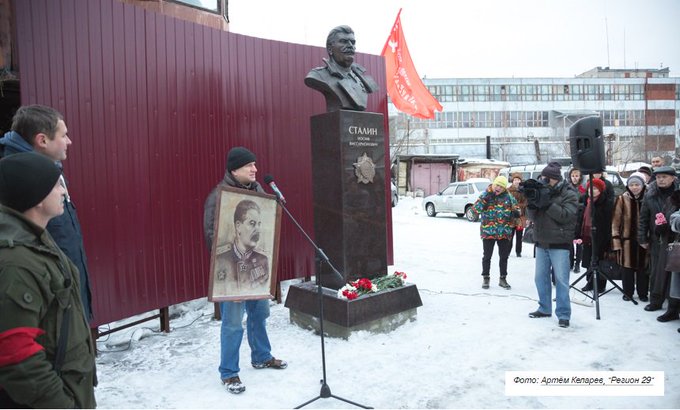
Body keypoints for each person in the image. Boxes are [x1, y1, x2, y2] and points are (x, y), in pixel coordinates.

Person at [0, 152, 96, 408]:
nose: (63, 192)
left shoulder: (37, 239)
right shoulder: (16, 262)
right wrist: (61, 403)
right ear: (37, 197)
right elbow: (15, 354)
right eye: (56, 185)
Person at [203, 146, 287, 394]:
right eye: (249, 165)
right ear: (234, 169)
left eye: (255, 164)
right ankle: (229, 373)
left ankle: (261, 356)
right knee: (232, 323)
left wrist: (276, 208)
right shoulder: (218, 196)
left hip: (258, 268)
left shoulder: (259, 191)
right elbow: (212, 236)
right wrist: (227, 269)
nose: (255, 169)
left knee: (260, 313)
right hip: (232, 273)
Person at [0, 105, 94, 322]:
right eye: (64, 135)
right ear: (42, 140)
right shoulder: (16, 180)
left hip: (65, 288)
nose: (69, 141)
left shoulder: (48, 168)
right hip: (49, 304)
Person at [527, 162, 579, 328]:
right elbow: (532, 217)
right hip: (542, 241)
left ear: (555, 179)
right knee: (540, 278)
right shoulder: (542, 191)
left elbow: (565, 215)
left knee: (561, 280)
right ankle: (544, 308)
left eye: (546, 178)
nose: (543, 180)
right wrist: (532, 202)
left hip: (560, 243)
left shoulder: (569, 193)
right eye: (542, 177)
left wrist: (548, 203)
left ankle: (563, 314)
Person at [304, 25, 379, 112]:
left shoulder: (363, 78)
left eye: (353, 42)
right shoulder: (318, 75)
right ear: (330, 49)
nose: (350, 45)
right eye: (343, 41)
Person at [638, 166, 679, 319]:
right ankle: (656, 300)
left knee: (674, 273)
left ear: (673, 178)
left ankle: (673, 305)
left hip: (675, 239)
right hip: (657, 239)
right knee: (657, 271)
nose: (661, 180)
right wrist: (642, 238)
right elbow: (643, 218)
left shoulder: (678, 194)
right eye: (658, 177)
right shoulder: (650, 195)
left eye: (664, 177)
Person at [213, 199, 270, 296]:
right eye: (252, 223)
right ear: (238, 226)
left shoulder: (263, 260)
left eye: (259, 224)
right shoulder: (221, 259)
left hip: (258, 296)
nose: (258, 229)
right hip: (231, 299)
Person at [471, 175, 518, 290]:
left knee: (504, 257)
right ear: (493, 184)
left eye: (501, 187)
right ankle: (486, 278)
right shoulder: (485, 195)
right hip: (488, 231)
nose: (499, 188)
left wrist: (516, 213)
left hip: (504, 232)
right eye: (497, 185)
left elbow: (516, 209)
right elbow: (474, 211)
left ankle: (503, 279)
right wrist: (486, 198)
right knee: (487, 256)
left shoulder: (509, 197)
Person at [611, 173, 649, 301]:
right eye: (631, 185)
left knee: (642, 269)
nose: (634, 187)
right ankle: (628, 292)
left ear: (643, 185)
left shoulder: (648, 198)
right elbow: (615, 222)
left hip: (644, 241)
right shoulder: (622, 199)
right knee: (627, 269)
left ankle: (643, 293)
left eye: (637, 184)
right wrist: (616, 241)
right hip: (627, 242)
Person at [575, 178, 614, 293]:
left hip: (601, 235)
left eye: (595, 188)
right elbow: (581, 219)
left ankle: (600, 284)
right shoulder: (585, 201)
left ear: (601, 190)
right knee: (588, 260)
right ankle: (589, 282)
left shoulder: (605, 203)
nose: (592, 191)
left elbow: (607, 222)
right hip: (587, 235)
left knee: (600, 261)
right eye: (590, 188)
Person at [568, 167, 586, 273]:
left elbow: (585, 202)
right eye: (573, 176)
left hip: (580, 217)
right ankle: (570, 262)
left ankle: (577, 263)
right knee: (570, 241)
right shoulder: (567, 187)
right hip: (570, 218)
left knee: (579, 242)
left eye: (576, 176)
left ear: (580, 177)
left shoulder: (583, 188)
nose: (575, 178)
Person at [507, 173, 527, 258]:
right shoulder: (508, 190)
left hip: (520, 217)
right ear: (512, 181)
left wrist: (519, 206)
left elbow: (526, 202)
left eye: (518, 180)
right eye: (515, 180)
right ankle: (507, 251)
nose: (517, 181)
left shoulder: (523, 191)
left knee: (519, 236)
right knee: (510, 236)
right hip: (510, 217)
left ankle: (518, 251)